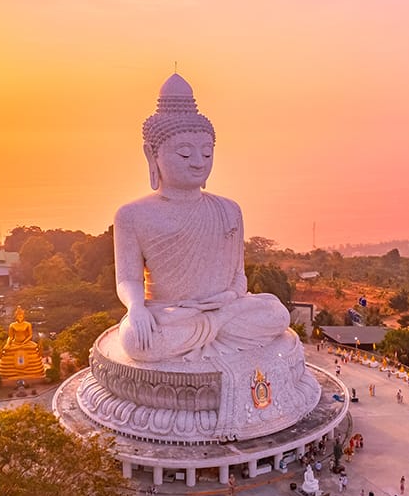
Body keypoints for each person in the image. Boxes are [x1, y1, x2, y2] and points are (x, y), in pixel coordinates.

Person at [114, 74, 290, 362]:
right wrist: (136, 308)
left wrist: (228, 299)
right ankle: (210, 333)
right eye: (184, 154)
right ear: (151, 154)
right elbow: (128, 279)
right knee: (136, 339)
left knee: (276, 313)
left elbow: (238, 276)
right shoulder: (132, 215)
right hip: (171, 314)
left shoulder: (229, 209)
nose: (198, 162)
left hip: (224, 311)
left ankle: (211, 331)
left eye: (206, 153)